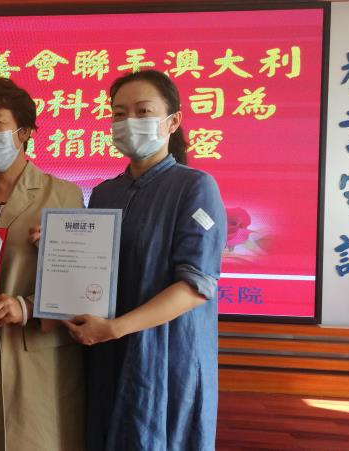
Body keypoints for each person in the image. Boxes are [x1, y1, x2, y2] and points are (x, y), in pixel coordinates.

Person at [62, 69, 227, 450]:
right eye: (119, 113)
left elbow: (195, 286)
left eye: (143, 111)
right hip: (106, 349)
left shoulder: (195, 187)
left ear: (173, 121)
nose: (128, 122)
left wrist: (116, 328)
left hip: (166, 356)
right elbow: (92, 265)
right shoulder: (105, 193)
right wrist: (57, 243)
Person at [0, 77, 85, 451]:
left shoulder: (63, 195)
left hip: (38, 357)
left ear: (24, 132)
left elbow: (82, 285)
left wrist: (25, 307)